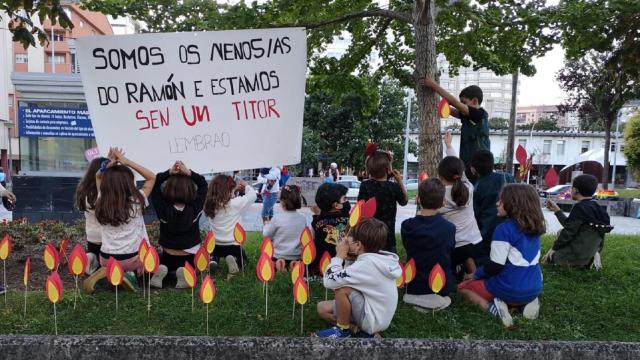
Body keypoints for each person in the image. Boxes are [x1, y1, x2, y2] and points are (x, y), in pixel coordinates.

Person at [458, 184, 544, 328]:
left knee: (463, 288)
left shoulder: (503, 230)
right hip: (534, 287)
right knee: (521, 279)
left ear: (514, 204)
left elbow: (495, 266)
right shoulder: (536, 227)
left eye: (501, 201)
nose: (497, 203)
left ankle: (493, 309)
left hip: (508, 288)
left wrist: (475, 274)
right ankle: (525, 304)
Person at [314, 217, 402, 338]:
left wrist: (339, 256)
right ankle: (360, 331)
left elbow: (330, 281)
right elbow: (353, 277)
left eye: (347, 237)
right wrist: (349, 259)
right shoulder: (376, 259)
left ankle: (342, 331)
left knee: (342, 289)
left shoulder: (366, 265)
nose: (344, 239)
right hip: (374, 313)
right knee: (322, 308)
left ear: (358, 245)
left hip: (372, 319)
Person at [84, 147, 155, 292]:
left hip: (105, 257)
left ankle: (108, 274)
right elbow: (151, 177)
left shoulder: (101, 201)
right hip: (130, 259)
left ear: (106, 184)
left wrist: (108, 164)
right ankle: (130, 275)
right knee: (151, 256)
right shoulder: (137, 201)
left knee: (113, 263)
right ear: (128, 182)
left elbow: (97, 176)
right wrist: (126, 162)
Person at [149, 160, 208, 288]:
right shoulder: (195, 208)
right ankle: (184, 273)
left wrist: (169, 173)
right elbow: (203, 184)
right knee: (196, 265)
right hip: (189, 256)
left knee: (163, 260)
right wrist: (189, 173)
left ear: (168, 188)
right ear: (191, 190)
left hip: (168, 254)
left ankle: (163, 269)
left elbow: (154, 184)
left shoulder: (163, 208)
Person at [420, 78, 490, 183]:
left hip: (479, 164)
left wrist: (433, 85)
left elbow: (453, 102)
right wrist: (438, 105)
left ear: (475, 101)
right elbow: (450, 110)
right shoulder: (467, 117)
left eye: (464, 102)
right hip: (468, 163)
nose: (460, 105)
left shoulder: (479, 115)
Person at [401, 178, 456, 311]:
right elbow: (450, 250)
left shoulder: (407, 226)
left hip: (414, 284)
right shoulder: (449, 228)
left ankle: (420, 299)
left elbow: (407, 247)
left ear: (418, 199)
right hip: (441, 286)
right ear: (443, 202)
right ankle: (434, 300)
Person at [542, 174, 612, 267]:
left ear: (576, 190)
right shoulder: (598, 208)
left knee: (548, 260)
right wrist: (557, 210)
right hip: (589, 253)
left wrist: (553, 249)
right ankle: (592, 259)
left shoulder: (579, 208)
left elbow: (568, 232)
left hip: (577, 255)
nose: (571, 190)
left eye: (572, 188)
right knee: (560, 232)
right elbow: (570, 225)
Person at [439, 132, 482, 277]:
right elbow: (458, 168)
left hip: (452, 245)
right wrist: (449, 146)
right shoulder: (468, 187)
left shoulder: (439, 194)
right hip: (474, 241)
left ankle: (451, 276)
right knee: (466, 255)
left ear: (441, 175)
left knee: (446, 262)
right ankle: (472, 275)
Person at [204, 174, 257, 279]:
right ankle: (233, 259)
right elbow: (252, 196)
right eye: (232, 191)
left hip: (215, 245)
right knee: (243, 262)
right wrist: (246, 186)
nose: (234, 194)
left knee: (213, 252)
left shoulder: (209, 205)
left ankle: (213, 259)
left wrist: (234, 189)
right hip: (233, 245)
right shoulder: (235, 204)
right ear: (227, 192)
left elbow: (224, 198)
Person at [358, 151, 408, 253]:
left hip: (368, 235)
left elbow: (360, 206)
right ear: (388, 170)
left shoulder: (365, 185)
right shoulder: (393, 187)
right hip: (387, 237)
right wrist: (399, 181)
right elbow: (404, 201)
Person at [471, 150, 515, 262]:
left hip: (488, 234)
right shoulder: (508, 178)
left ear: (473, 169)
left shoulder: (478, 187)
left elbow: (475, 215)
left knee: (488, 261)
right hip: (512, 230)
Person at [75, 156, 108, 275]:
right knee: (108, 261)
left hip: (92, 238)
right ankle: (98, 263)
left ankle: (91, 258)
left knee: (94, 254)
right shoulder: (105, 193)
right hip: (106, 239)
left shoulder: (84, 191)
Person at [262, 184, 307, 271]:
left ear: (282, 201)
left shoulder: (277, 218)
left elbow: (266, 234)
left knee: (268, 252)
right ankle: (292, 265)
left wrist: (266, 224)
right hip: (297, 255)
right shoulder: (303, 218)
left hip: (278, 254)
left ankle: (280, 265)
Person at [310, 183, 350, 274]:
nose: (347, 201)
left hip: (321, 265)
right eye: (345, 199)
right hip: (344, 266)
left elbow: (312, 240)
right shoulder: (350, 220)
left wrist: (316, 216)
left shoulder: (316, 222)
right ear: (336, 205)